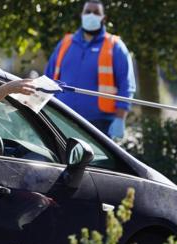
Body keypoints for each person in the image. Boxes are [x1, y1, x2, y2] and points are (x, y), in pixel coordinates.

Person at [44, 0, 136, 139]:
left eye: (96, 12)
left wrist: (120, 118)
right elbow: (48, 78)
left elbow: (126, 85)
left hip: (100, 125)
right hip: (62, 119)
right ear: (81, 15)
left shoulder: (115, 46)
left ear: (103, 18)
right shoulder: (65, 43)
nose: (91, 15)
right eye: (88, 12)